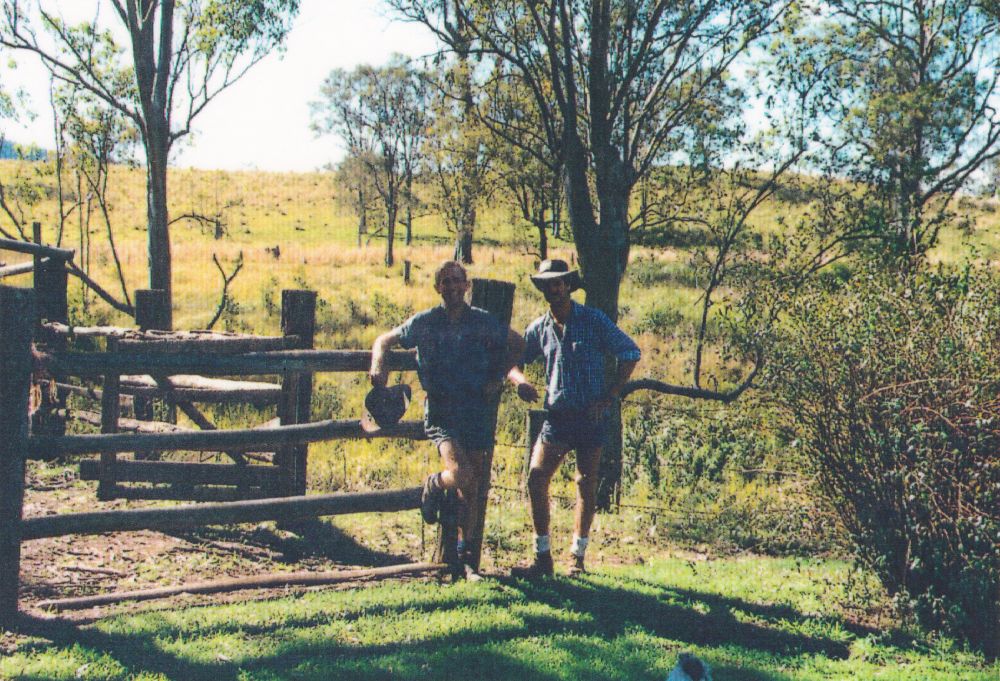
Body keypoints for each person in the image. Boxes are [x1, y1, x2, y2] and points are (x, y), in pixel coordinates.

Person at [369, 261, 524, 579]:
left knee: (473, 486)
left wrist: (497, 378)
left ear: (467, 286)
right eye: (445, 282)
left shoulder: (481, 321)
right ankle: (435, 483)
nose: (452, 287)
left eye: (457, 281)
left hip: (476, 408)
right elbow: (383, 341)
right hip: (442, 410)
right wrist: (378, 370)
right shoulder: (425, 321)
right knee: (461, 474)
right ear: (437, 287)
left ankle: (465, 559)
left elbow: (518, 343)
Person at [507, 259, 640, 578]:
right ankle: (542, 557)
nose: (553, 289)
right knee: (536, 478)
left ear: (568, 285)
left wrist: (608, 397)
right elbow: (513, 361)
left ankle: (577, 559)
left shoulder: (593, 320)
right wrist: (520, 381)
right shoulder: (539, 328)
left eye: (558, 283)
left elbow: (630, 352)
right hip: (557, 417)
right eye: (547, 284)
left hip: (590, 416)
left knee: (585, 483)